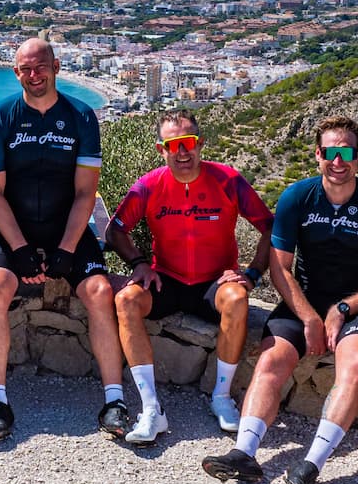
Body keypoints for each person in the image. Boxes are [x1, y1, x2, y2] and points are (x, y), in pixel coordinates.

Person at [201, 116, 358, 484]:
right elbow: (279, 266)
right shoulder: (297, 196)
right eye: (330, 152)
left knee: (357, 363)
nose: (338, 161)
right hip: (303, 300)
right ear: (318, 156)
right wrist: (310, 315)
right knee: (270, 361)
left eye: (346, 152)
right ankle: (244, 453)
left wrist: (342, 308)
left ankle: (312, 463)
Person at [0, 37, 121, 441]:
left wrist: (66, 250)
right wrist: (19, 249)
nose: (34, 75)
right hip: (10, 228)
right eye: (25, 68)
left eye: (41, 66)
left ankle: (114, 399)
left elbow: (85, 194)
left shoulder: (81, 116)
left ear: (56, 66)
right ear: (15, 71)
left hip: (66, 227)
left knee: (98, 291)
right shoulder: (1, 116)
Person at [107, 109, 272, 446]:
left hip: (214, 283)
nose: (182, 152)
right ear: (161, 149)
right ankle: (151, 408)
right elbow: (116, 231)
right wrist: (138, 262)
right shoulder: (149, 186)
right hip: (167, 279)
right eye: (174, 145)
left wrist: (252, 274)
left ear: (200, 144)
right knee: (125, 300)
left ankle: (222, 397)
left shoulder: (227, 180)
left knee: (238, 299)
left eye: (189, 143)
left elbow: (271, 227)